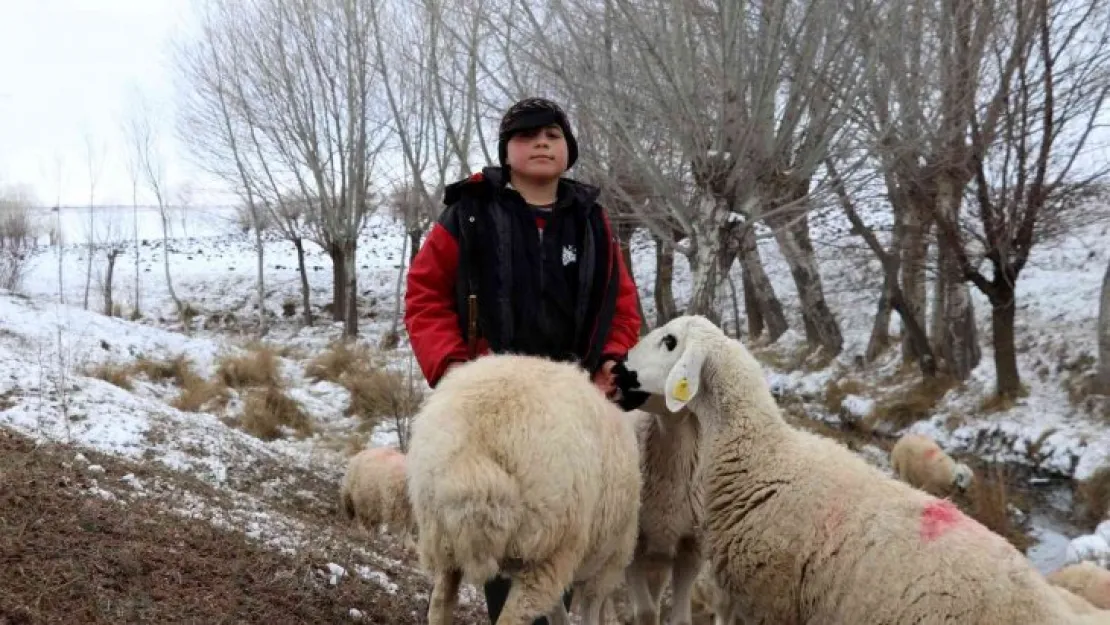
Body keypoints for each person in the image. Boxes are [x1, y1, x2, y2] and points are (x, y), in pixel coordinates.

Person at [402, 97, 643, 624]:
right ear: (506, 151)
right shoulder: (468, 212)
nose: (541, 143)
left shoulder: (593, 221)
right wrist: (451, 370)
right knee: (500, 536)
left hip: (568, 406)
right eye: (527, 135)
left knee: (561, 539)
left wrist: (609, 360)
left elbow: (622, 303)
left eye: (553, 135)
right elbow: (424, 295)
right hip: (491, 402)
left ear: (568, 150)